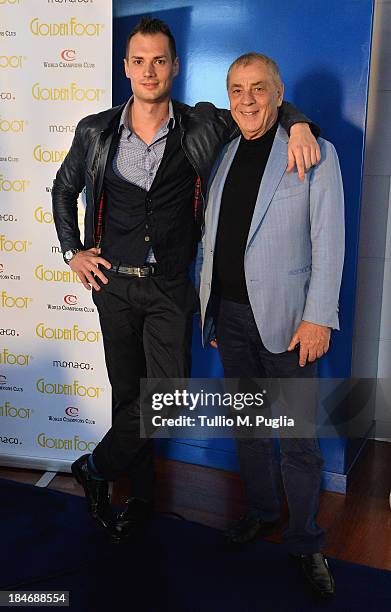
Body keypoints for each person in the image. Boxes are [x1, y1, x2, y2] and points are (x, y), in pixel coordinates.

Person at [52, 17, 320, 543]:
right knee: (130, 395)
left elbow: (259, 107)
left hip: (172, 286)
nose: (148, 70)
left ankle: (95, 467)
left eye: (159, 60)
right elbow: (63, 190)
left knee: (165, 395)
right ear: (125, 67)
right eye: (138, 60)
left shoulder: (203, 124)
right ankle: (139, 497)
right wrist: (71, 251)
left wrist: (303, 122)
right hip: (113, 286)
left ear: (175, 67)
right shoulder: (94, 130)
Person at [198, 52, 344, 598]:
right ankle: (262, 511)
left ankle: (306, 543)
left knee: (298, 441)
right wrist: (212, 307)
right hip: (231, 319)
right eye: (237, 89)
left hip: (289, 322)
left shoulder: (313, 151)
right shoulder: (224, 152)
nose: (247, 99)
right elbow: (216, 240)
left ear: (279, 95)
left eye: (259, 89)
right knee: (251, 430)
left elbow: (330, 242)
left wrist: (317, 318)